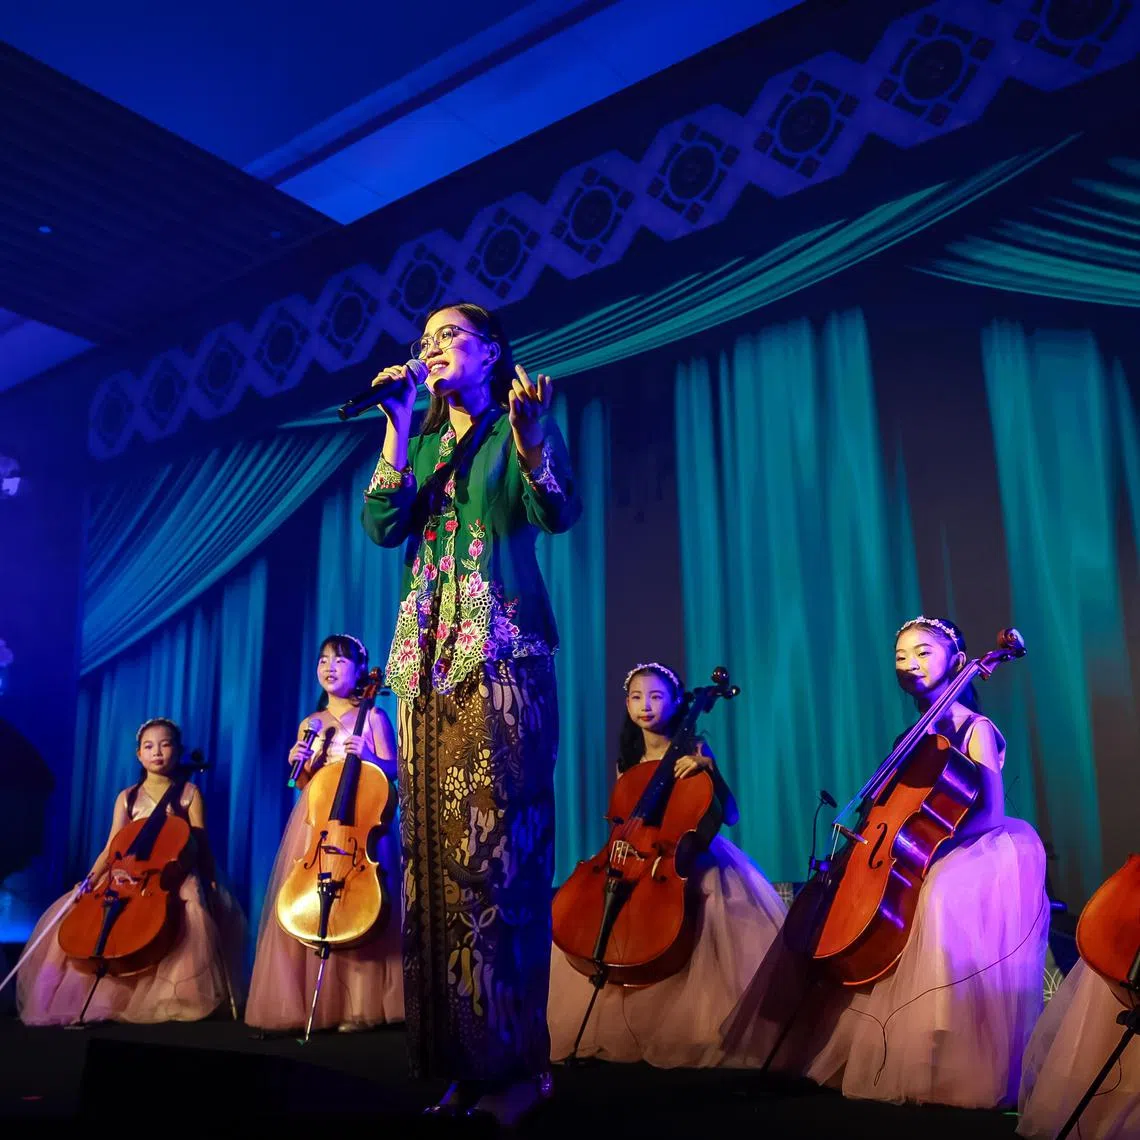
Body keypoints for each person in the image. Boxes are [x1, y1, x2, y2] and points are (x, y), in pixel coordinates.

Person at [361, 302, 581, 1125]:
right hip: (424, 668)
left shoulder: (517, 426)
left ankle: (518, 1067)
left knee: (498, 869)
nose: (433, 348)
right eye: (425, 340)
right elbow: (383, 525)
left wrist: (530, 441)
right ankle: (458, 1060)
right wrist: (396, 425)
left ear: (493, 352)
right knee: (431, 873)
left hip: (503, 663)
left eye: (450, 335)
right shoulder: (417, 438)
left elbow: (556, 510)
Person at [722, 616, 1049, 1108]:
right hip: (911, 844)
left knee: (936, 894)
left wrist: (928, 847)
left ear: (958, 663)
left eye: (922, 652)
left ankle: (939, 1047)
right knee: (833, 901)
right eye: (900, 656)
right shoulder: (910, 734)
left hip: (968, 847)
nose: (909, 664)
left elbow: (990, 812)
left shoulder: (974, 729)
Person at [547, 662, 787, 1067]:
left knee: (708, 899)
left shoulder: (694, 749)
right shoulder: (627, 759)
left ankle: (696, 1025)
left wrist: (709, 769)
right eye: (637, 697)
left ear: (677, 702)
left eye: (657, 696)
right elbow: (624, 819)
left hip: (678, 858)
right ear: (626, 703)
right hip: (629, 857)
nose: (646, 706)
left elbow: (729, 814)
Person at [17, 718, 244, 1025]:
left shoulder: (189, 793)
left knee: (190, 910)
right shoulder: (128, 797)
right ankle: (109, 996)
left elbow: (200, 841)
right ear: (139, 754)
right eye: (149, 746)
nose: (157, 752)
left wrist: (211, 879)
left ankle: (172, 997)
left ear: (178, 751)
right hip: (126, 875)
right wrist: (92, 878)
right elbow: (113, 846)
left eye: (165, 745)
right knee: (86, 913)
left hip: (171, 874)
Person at [245, 634, 403, 1034]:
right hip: (317, 825)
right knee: (310, 899)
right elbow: (301, 786)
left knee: (359, 903)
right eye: (323, 661)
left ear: (360, 671)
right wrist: (298, 764)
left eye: (340, 661)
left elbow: (395, 771)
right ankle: (313, 1003)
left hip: (359, 822)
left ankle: (359, 1005)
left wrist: (368, 757)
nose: (329, 668)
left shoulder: (374, 717)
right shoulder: (311, 723)